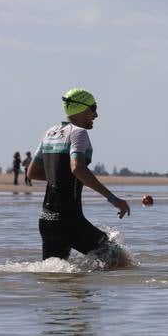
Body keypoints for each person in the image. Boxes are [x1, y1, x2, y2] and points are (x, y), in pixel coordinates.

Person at [27, 88, 130, 261]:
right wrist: (113, 199)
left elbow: (32, 172)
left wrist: (62, 176)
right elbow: (77, 168)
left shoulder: (49, 133)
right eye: (93, 108)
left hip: (46, 221)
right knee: (120, 261)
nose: (96, 115)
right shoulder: (78, 133)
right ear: (81, 108)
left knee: (57, 279)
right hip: (69, 221)